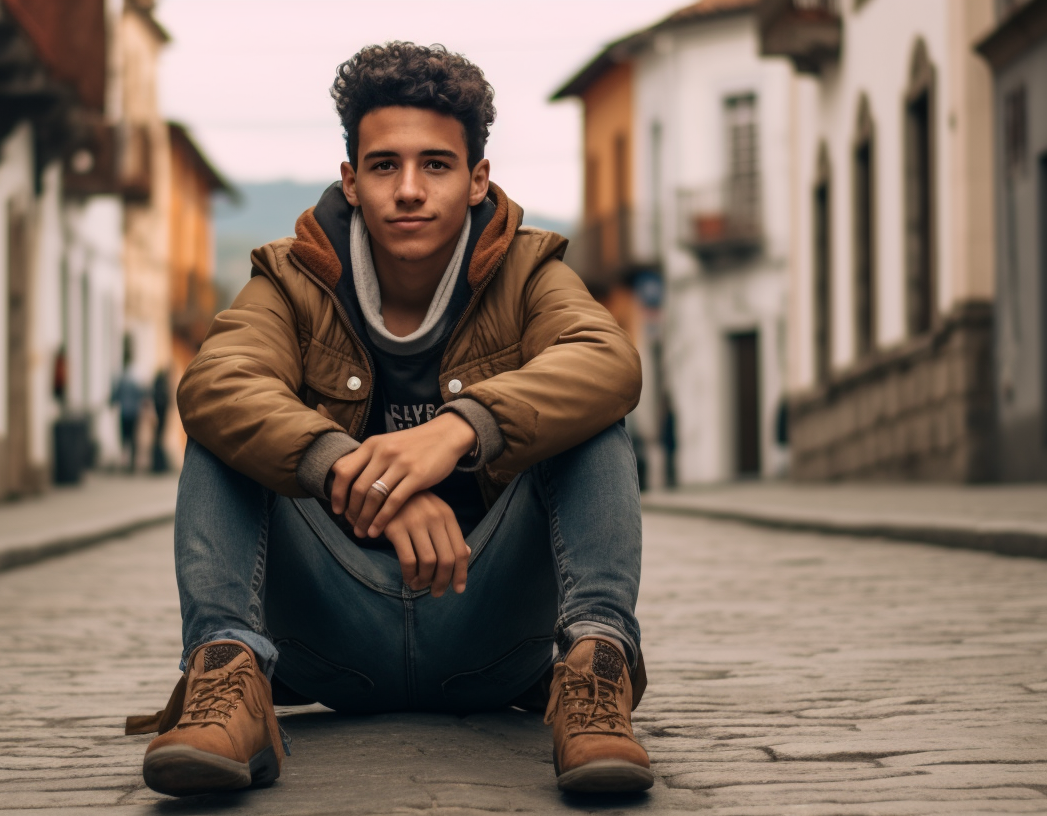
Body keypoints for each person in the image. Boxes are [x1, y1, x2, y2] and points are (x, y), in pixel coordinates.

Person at [128, 42, 650, 796]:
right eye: (384, 166)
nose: (409, 189)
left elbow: (609, 359)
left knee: (592, 415)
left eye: (436, 165)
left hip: (493, 630)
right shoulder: (291, 277)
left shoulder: (529, 271)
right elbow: (219, 383)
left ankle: (596, 672)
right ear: (352, 179)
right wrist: (356, 470)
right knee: (223, 430)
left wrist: (457, 430)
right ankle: (226, 674)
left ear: (477, 181)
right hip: (331, 637)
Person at [110, 364, 143, 473]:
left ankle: (125, 461)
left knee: (125, 438)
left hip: (124, 413)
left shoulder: (121, 381)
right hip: (134, 413)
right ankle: (132, 464)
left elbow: (115, 395)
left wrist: (111, 403)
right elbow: (141, 395)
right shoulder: (134, 382)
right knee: (133, 438)